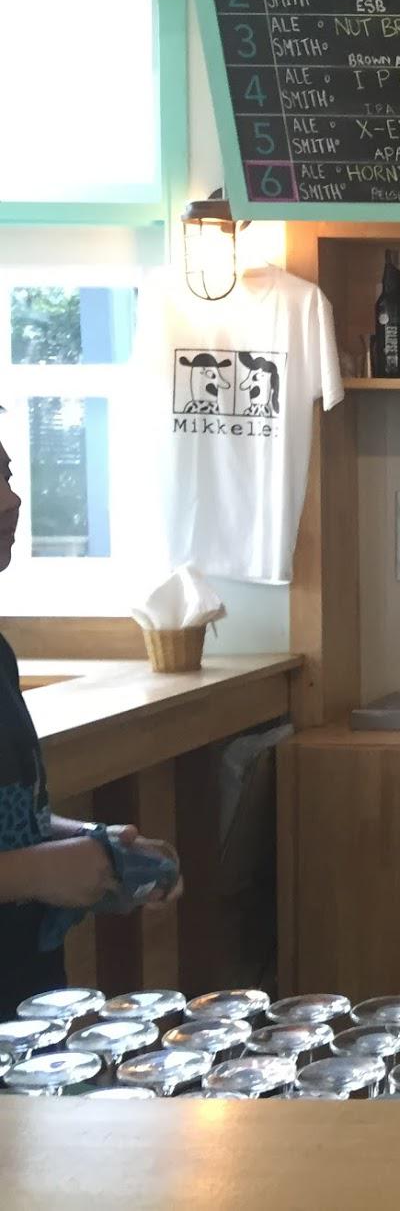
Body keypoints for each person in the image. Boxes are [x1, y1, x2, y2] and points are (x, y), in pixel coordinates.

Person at [0, 430, 183, 1012]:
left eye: (6, 475)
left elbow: (12, 821)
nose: (11, 499)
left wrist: (88, 841)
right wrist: (32, 873)